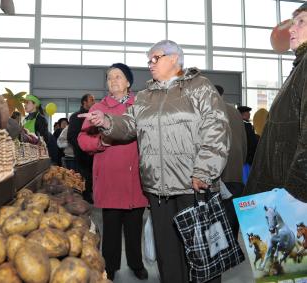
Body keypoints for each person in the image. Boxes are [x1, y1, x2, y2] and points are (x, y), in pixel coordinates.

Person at [79, 40, 230, 283]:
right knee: (168, 255)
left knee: (202, 253)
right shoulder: (146, 96)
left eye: (155, 58)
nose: (150, 64)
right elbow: (128, 125)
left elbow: (217, 127)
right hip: (158, 189)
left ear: (174, 58)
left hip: (193, 185)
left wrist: (204, 170)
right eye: (148, 60)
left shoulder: (198, 86)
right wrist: (107, 122)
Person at [78, 63, 149, 281]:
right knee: (110, 228)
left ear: (128, 82)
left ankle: (137, 263)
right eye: (110, 78)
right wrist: (101, 141)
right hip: (109, 176)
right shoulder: (98, 108)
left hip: (136, 177)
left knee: (134, 226)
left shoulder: (141, 105)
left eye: (118, 77)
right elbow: (83, 140)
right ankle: (110, 266)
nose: (113, 81)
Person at [244, 2, 307, 203]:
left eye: (301, 22)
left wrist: (294, 194)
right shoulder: (299, 66)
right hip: (279, 188)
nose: (291, 28)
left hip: (289, 194)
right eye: (293, 22)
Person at [215, 85, 247, 239]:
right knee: (233, 209)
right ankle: (232, 242)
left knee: (217, 211)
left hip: (217, 171)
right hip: (235, 170)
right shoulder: (234, 111)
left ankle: (220, 247)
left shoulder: (209, 110)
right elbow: (244, 141)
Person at [67, 93, 96, 203]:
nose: (94, 102)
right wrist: (83, 147)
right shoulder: (76, 116)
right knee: (84, 176)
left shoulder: (95, 116)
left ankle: (91, 194)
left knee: (93, 175)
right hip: (82, 154)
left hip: (95, 153)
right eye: (91, 100)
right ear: (84, 102)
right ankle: (84, 197)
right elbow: (71, 136)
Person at [23, 94, 59, 164]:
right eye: (25, 103)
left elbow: (44, 140)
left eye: (27, 102)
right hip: (27, 155)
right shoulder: (25, 119)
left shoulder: (40, 119)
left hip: (37, 156)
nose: (25, 105)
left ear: (35, 105)